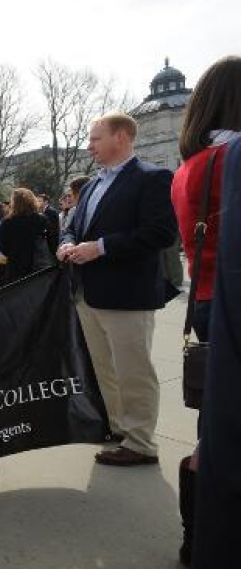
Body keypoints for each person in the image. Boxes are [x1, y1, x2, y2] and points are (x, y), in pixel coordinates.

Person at [57, 111, 178, 467]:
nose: (89, 145)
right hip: (88, 294)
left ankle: (141, 443)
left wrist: (102, 247)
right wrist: (66, 243)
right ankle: (118, 429)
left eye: (96, 138)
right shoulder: (92, 185)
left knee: (133, 371)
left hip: (127, 295)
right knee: (103, 369)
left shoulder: (153, 178)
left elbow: (161, 233)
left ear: (121, 137)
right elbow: (74, 227)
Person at [169, 54, 241, 567]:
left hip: (207, 298)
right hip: (227, 300)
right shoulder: (225, 162)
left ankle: (196, 536)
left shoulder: (189, 167)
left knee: (213, 428)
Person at [0, 188, 53, 285]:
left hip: (15, 269)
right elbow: (51, 243)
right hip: (38, 268)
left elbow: (3, 248)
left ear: (14, 202)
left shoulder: (7, 222)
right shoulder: (42, 220)